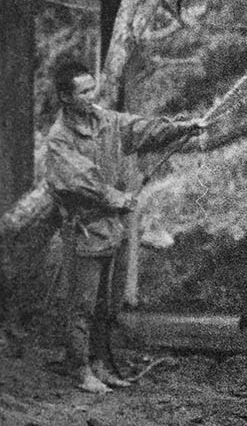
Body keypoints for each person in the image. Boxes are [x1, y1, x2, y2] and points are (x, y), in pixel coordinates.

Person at [44, 60, 207, 393]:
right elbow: (79, 181)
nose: (92, 96)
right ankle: (80, 369)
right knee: (83, 304)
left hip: (111, 231)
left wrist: (183, 127)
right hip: (84, 231)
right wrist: (118, 198)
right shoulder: (59, 139)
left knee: (105, 305)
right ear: (65, 97)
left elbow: (144, 128)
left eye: (93, 88)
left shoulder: (108, 122)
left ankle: (101, 364)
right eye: (84, 91)